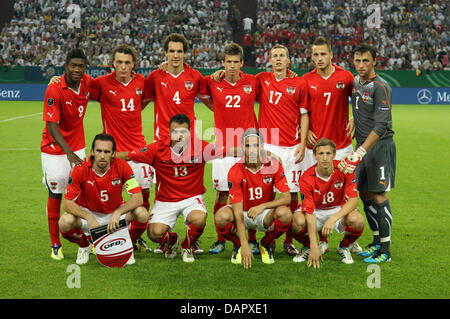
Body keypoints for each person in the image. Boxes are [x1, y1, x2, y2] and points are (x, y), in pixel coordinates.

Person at [50, 44, 154, 253]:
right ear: (112, 64)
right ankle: (100, 232)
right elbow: (75, 83)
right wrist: (56, 79)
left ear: (134, 64)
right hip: (112, 154)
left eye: (127, 63)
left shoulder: (142, 82)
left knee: (142, 197)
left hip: (138, 151)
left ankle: (134, 238)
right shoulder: (101, 84)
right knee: (107, 196)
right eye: (119, 62)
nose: (123, 67)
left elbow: (145, 101)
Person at [115, 114, 236, 263]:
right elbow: (128, 155)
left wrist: (254, 152)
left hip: (192, 198)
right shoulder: (157, 149)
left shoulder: (200, 147)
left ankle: (187, 246)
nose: (179, 136)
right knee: (154, 234)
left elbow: (229, 150)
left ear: (190, 132)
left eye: (183, 132)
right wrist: (103, 157)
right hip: (165, 200)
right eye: (175, 132)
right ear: (169, 131)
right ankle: (172, 241)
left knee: (199, 219)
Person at [199, 42, 259, 255]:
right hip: (222, 148)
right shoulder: (211, 82)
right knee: (222, 195)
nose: (232, 66)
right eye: (228, 62)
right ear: (222, 63)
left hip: (247, 148)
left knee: (249, 195)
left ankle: (251, 240)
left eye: (236, 62)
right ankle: (220, 239)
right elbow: (194, 86)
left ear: (242, 63)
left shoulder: (253, 81)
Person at [301, 36, 359, 254]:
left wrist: (355, 117)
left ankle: (349, 241)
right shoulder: (306, 79)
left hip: (343, 146)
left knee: (347, 193)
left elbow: (360, 100)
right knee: (313, 193)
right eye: (315, 54)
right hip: (314, 149)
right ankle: (316, 241)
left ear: (331, 55)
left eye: (323, 54)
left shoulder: (345, 77)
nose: (319, 58)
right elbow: (302, 112)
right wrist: (304, 132)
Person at [338, 44, 396, 263]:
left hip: (379, 148)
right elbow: (361, 109)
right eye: (357, 60)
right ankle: (375, 242)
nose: (361, 65)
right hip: (362, 148)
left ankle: (386, 251)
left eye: (365, 61)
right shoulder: (355, 83)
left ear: (374, 62)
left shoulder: (381, 86)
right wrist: (354, 118)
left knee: (380, 195)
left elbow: (381, 125)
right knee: (364, 194)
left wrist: (359, 152)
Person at [59, 133, 149, 265]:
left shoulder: (122, 166)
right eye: (99, 151)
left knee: (142, 213)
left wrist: (118, 213)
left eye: (107, 152)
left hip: (114, 213)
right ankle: (84, 245)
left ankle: (127, 246)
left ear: (113, 154)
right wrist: (88, 217)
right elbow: (67, 204)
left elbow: (138, 198)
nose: (102, 155)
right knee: (65, 222)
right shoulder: (80, 169)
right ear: (92, 152)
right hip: (89, 214)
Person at [256, 44, 310, 256]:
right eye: (274, 56)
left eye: (282, 56)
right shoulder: (261, 79)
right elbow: (238, 79)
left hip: (291, 147)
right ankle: (262, 238)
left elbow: (304, 114)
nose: (278, 59)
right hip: (268, 147)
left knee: (292, 195)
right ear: (269, 60)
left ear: (289, 61)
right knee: (266, 193)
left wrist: (303, 143)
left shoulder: (299, 82)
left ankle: (287, 241)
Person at [40, 48, 92, 261]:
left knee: (83, 193)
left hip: (77, 146)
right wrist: (69, 154)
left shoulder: (88, 83)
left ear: (85, 68)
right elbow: (52, 126)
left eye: (81, 66)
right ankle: (55, 244)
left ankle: (88, 238)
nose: (77, 70)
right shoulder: (55, 89)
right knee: (56, 192)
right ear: (66, 66)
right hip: (54, 150)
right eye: (73, 66)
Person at [214, 129, 292, 268]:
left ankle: (265, 244)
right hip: (242, 212)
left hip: (264, 213)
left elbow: (286, 198)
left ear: (262, 147)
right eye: (248, 146)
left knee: (285, 214)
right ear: (242, 148)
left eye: (256, 145)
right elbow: (237, 211)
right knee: (220, 217)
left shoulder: (273, 165)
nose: (252, 150)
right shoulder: (235, 170)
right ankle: (237, 246)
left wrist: (262, 206)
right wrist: (244, 245)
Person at [291, 138, 365, 267]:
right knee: (296, 222)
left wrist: (333, 219)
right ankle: (308, 247)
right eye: (321, 154)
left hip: (337, 209)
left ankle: (344, 246)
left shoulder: (344, 169)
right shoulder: (306, 178)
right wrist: (314, 246)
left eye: (328, 153)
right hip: (316, 211)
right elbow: (310, 212)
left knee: (357, 220)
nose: (325, 158)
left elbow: (353, 201)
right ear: (315, 156)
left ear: (334, 154)